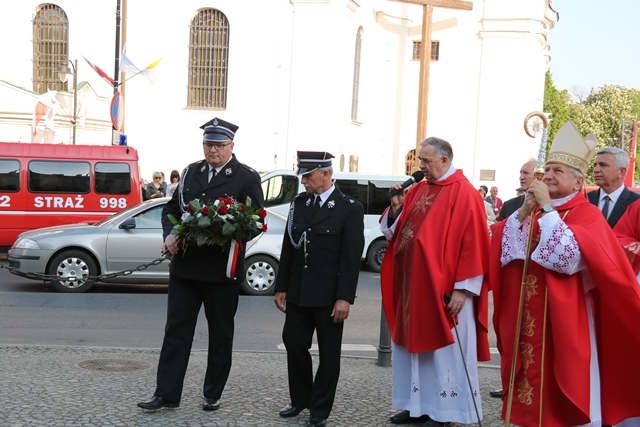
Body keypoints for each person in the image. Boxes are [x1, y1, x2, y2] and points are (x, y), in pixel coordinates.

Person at [490, 121, 640, 426]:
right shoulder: (533, 210)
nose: (547, 176)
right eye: (547, 170)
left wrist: (546, 209)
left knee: (566, 381)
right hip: (529, 313)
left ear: (578, 181)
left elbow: (567, 258)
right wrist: (523, 212)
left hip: (566, 317)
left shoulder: (587, 213)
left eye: (557, 171)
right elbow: (506, 252)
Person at [137, 117, 264, 412]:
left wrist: (224, 233)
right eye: (208, 144)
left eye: (219, 145)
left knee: (220, 335)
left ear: (231, 146)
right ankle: (166, 394)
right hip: (186, 268)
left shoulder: (246, 177)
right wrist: (170, 234)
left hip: (221, 270)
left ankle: (212, 393)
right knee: (176, 333)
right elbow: (171, 209)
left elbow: (256, 221)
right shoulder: (190, 172)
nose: (212, 150)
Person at [381, 137, 491, 427]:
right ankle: (415, 406)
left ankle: (444, 412)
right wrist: (396, 209)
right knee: (413, 351)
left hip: (445, 292)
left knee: (443, 354)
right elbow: (396, 233)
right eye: (420, 160)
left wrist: (462, 289)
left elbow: (474, 244)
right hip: (413, 287)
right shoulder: (418, 189)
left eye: (426, 161)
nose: (421, 166)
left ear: (444, 160)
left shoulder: (464, 193)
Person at [274, 151, 364, 427]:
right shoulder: (299, 204)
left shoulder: (349, 208)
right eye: (302, 176)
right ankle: (301, 398)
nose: (303, 181)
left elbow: (351, 258)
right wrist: (281, 286)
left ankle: (320, 409)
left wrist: (344, 298)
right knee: (293, 343)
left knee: (329, 354)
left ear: (325, 174)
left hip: (328, 296)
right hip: (299, 291)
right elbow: (289, 247)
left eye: (308, 176)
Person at [586, 147, 640, 228]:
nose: (596, 170)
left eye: (603, 165)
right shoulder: (586, 199)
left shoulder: (636, 203)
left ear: (621, 172)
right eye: (595, 165)